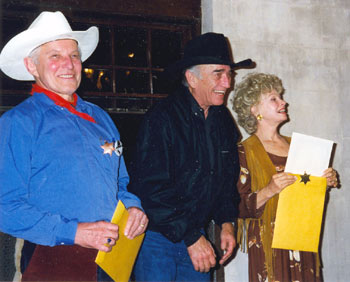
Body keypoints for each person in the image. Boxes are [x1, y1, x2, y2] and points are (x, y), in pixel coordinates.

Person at [0, 11, 148, 281]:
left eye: (74, 55)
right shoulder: (18, 123)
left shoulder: (100, 118)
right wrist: (75, 232)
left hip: (111, 259)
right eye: (54, 56)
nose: (68, 64)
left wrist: (133, 208)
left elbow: (119, 184)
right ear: (31, 66)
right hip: (52, 257)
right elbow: (5, 208)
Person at [128, 32, 252, 281]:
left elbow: (227, 180)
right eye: (218, 73)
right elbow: (151, 188)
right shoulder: (162, 118)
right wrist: (192, 237)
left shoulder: (223, 120)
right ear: (191, 78)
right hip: (157, 240)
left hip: (197, 236)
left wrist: (227, 221)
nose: (228, 83)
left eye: (229, 74)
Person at [232, 72, 338, 282]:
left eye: (280, 97)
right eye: (274, 98)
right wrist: (269, 190)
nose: (284, 102)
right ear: (255, 110)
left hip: (302, 240)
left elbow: (308, 200)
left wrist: (324, 183)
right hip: (269, 249)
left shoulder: (299, 146)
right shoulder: (243, 152)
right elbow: (238, 207)